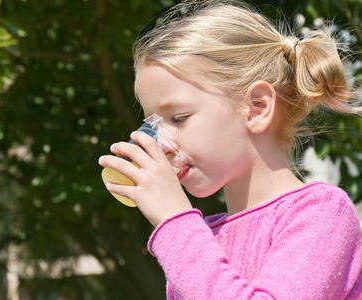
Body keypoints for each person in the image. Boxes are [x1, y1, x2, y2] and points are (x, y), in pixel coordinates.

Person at [98, 0, 362, 298]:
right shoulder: (200, 240)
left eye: (179, 118)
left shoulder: (321, 213)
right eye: (154, 124)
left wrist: (175, 222)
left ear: (257, 107)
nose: (160, 144)